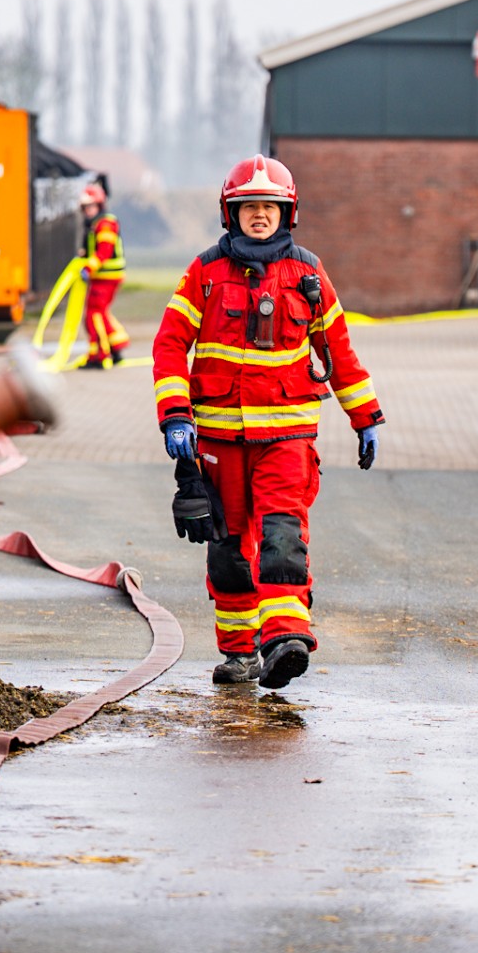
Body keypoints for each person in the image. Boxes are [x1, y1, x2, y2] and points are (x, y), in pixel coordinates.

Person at [151, 155, 384, 689]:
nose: (260, 216)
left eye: (269, 207)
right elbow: (169, 346)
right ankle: (239, 654)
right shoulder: (204, 274)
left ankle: (286, 639)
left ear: (288, 212)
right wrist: (175, 418)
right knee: (228, 549)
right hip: (217, 442)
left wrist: (365, 416)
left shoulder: (308, 274)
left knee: (282, 536)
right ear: (230, 214)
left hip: (288, 439)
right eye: (249, 207)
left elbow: (339, 351)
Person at [78, 178, 130, 369]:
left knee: (93, 314)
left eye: (90, 206)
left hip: (107, 277)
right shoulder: (97, 224)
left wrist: (88, 268)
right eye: (85, 207)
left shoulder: (105, 224)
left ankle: (99, 355)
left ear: (99, 204)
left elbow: (105, 250)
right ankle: (116, 348)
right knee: (101, 313)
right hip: (104, 277)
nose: (87, 211)